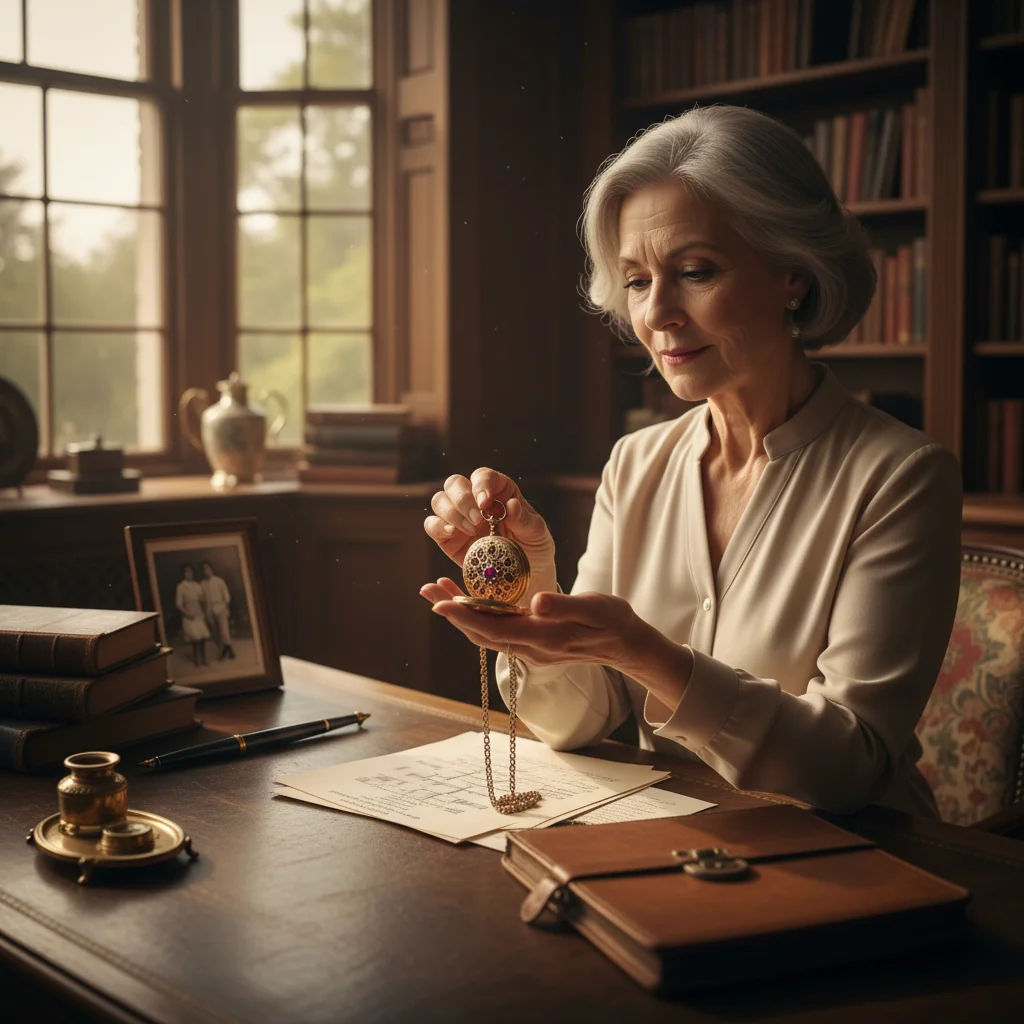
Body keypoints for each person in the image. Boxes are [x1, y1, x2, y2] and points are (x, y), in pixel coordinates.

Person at [419, 105, 962, 818]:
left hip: (855, 867)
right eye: (638, 281)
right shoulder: (636, 463)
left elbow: (849, 770)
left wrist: (648, 654)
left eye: (695, 272)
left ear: (791, 274)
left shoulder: (901, 477)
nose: (658, 314)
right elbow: (576, 721)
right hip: (668, 847)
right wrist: (534, 593)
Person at [175, 563, 211, 668]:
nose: (189, 573)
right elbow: (178, 604)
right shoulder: (181, 586)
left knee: (203, 637)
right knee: (195, 638)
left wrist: (203, 603)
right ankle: (197, 660)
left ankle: (204, 659)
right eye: (186, 572)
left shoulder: (197, 585)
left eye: (190, 571)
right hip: (189, 614)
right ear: (183, 574)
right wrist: (186, 613)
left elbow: (201, 599)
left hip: (199, 613)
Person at [200, 561, 235, 660]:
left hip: (220, 607)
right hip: (209, 610)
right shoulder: (202, 584)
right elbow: (202, 599)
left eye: (208, 568)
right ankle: (228, 649)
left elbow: (227, 596)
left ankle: (225, 651)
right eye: (204, 569)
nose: (206, 571)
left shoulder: (219, 581)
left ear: (211, 569)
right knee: (215, 632)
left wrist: (224, 606)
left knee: (224, 630)